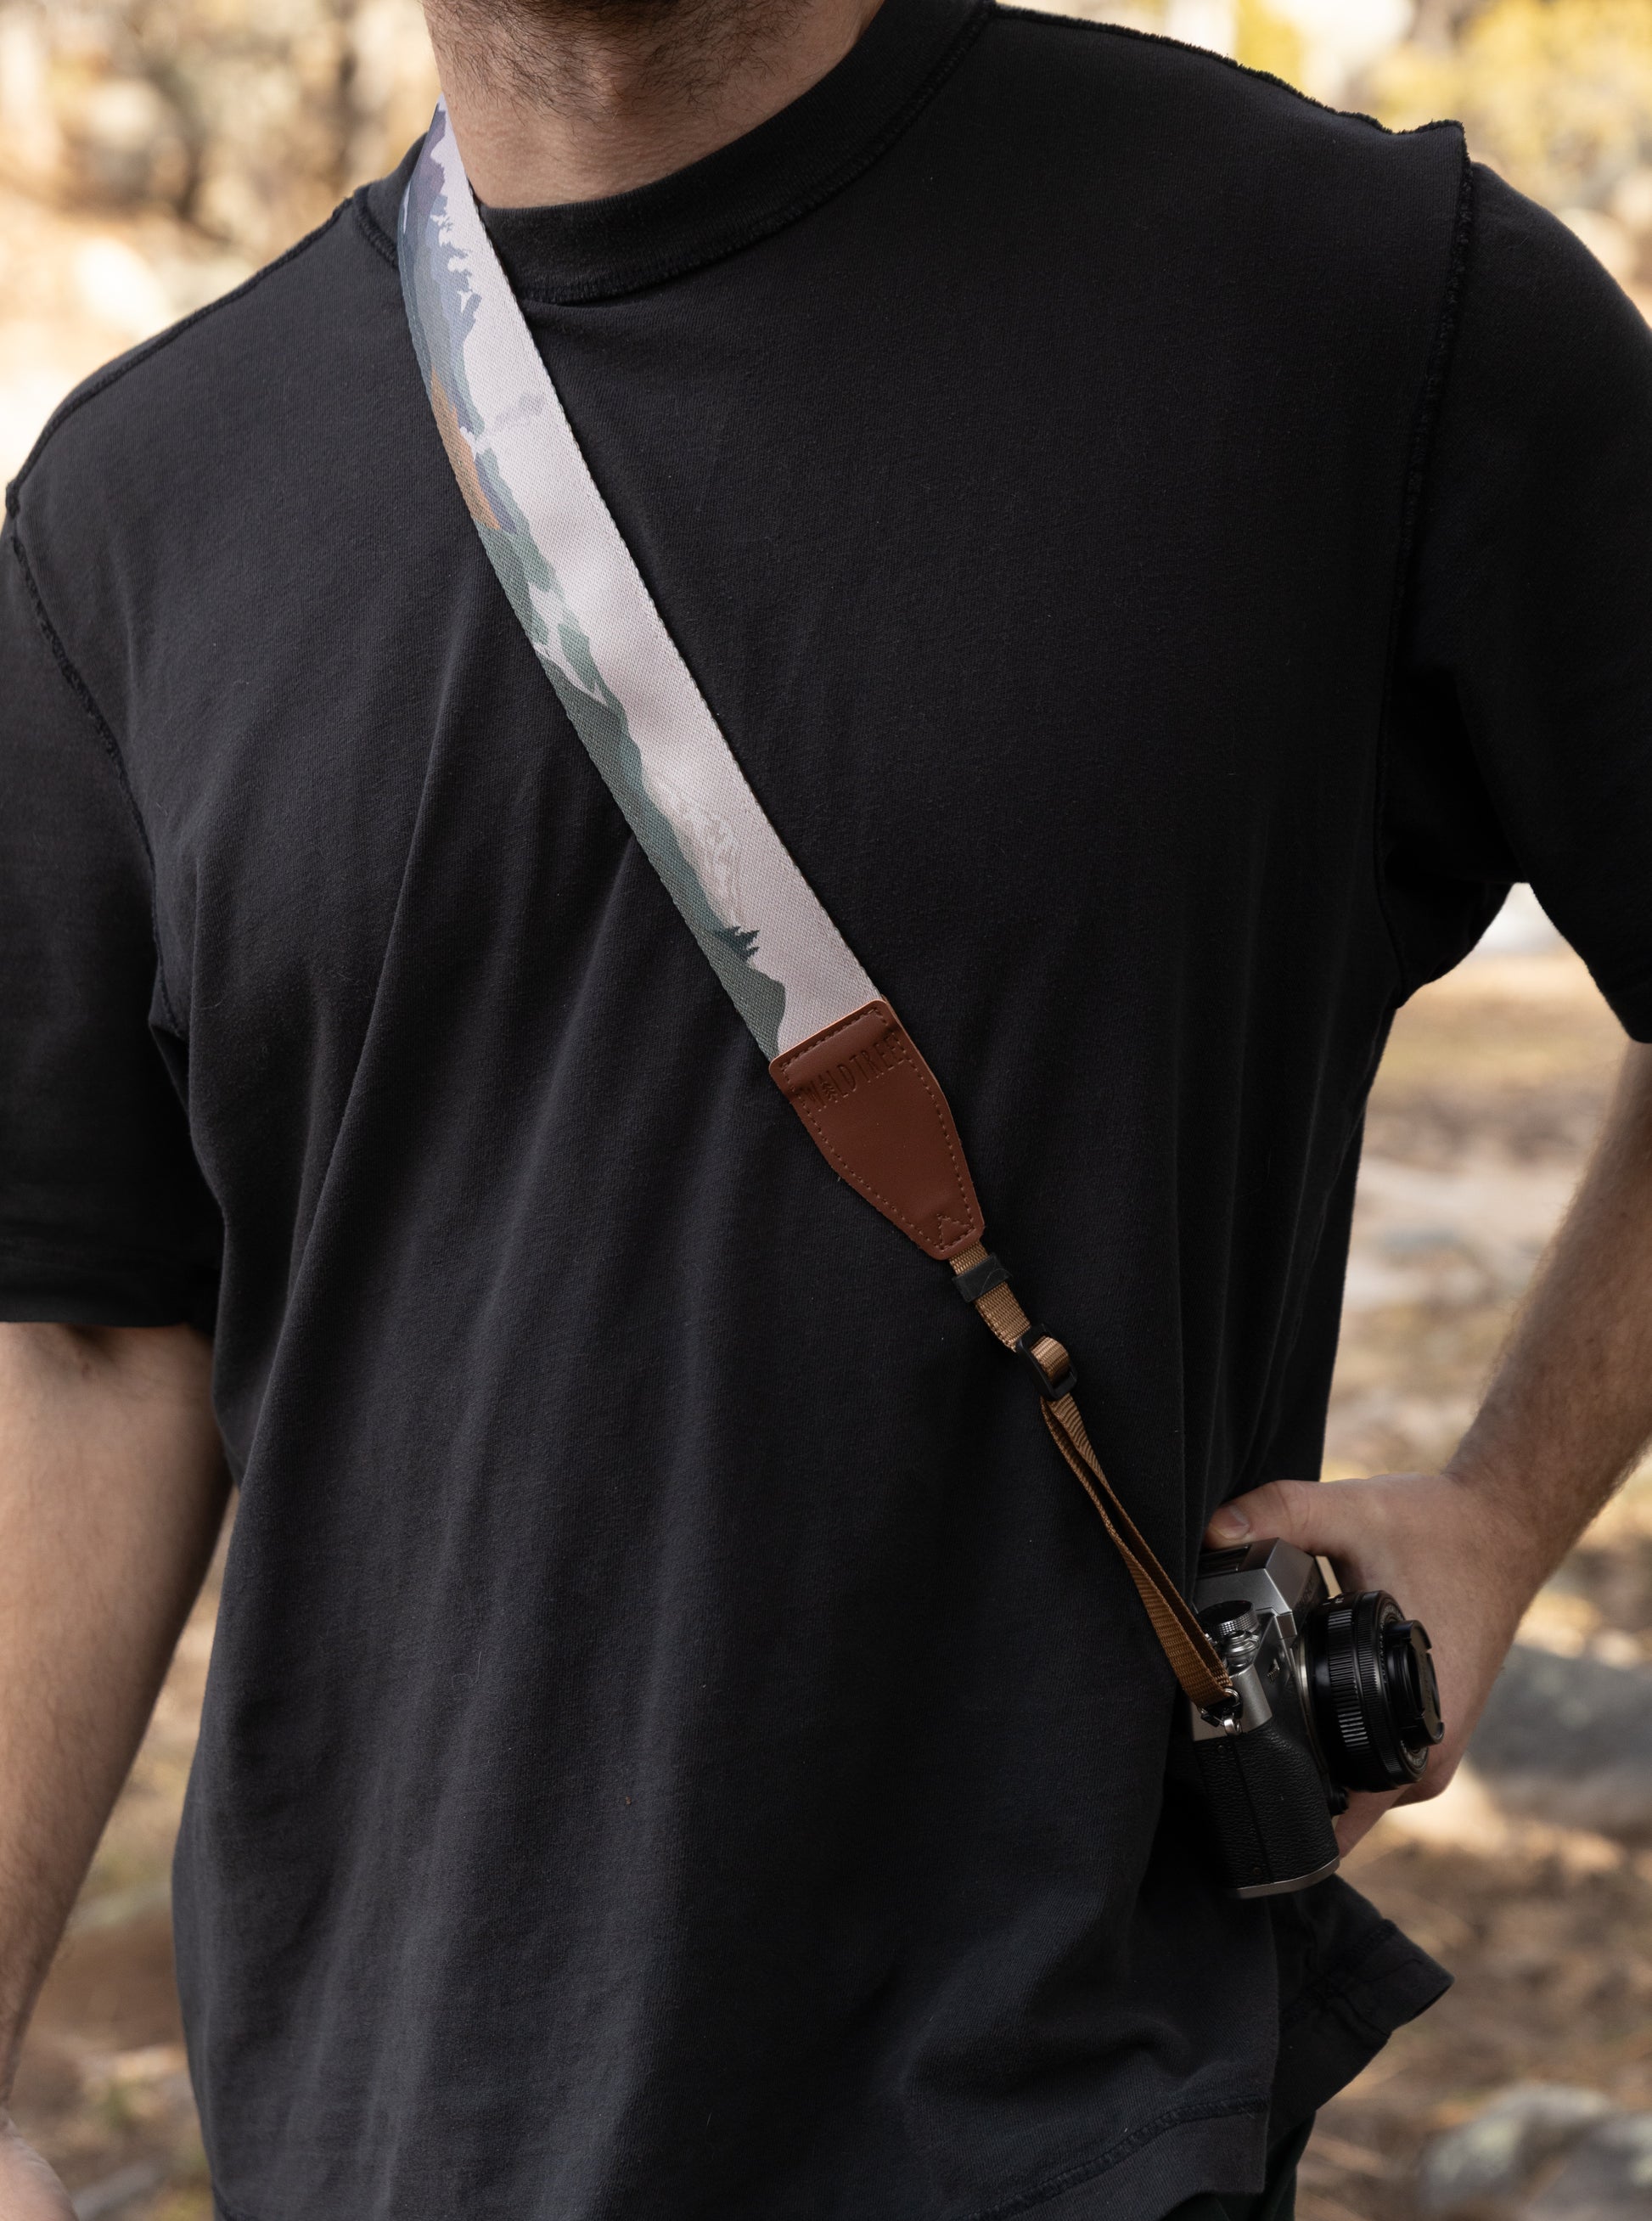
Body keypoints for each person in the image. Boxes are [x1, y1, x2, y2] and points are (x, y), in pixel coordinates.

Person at [3, 0, 1652, 2207]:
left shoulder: (1351, 308)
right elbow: (96, 1355)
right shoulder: (137, 513)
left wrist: (1504, 1504)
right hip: (377, 2133)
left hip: (1052, 2122)